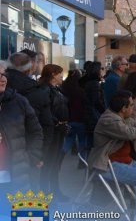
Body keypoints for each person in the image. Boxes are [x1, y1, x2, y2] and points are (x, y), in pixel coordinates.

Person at [87, 90, 136, 221]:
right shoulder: (109, 120)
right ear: (123, 108)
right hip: (108, 165)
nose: (133, 108)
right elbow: (130, 133)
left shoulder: (124, 117)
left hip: (125, 162)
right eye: (131, 105)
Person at [0, 70, 44, 193]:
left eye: (4, 75)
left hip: (16, 177)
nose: (3, 79)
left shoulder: (18, 101)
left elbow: (36, 132)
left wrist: (31, 157)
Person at [38, 64, 70, 200]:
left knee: (55, 164)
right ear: (52, 74)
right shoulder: (45, 90)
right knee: (49, 165)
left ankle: (56, 193)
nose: (62, 76)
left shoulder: (55, 89)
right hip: (52, 133)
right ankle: (46, 196)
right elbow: (45, 112)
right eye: (59, 73)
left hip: (59, 131)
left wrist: (63, 124)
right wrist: (57, 123)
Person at [61, 69, 87, 164]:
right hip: (80, 119)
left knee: (69, 139)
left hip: (69, 119)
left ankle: (61, 155)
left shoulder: (63, 89)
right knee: (82, 142)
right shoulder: (81, 91)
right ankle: (82, 162)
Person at [80, 61, 105, 156]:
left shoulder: (87, 82)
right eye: (101, 68)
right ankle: (91, 166)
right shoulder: (94, 84)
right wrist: (105, 112)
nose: (103, 71)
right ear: (97, 70)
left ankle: (85, 163)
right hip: (93, 116)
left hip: (88, 115)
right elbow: (96, 102)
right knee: (93, 143)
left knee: (89, 142)